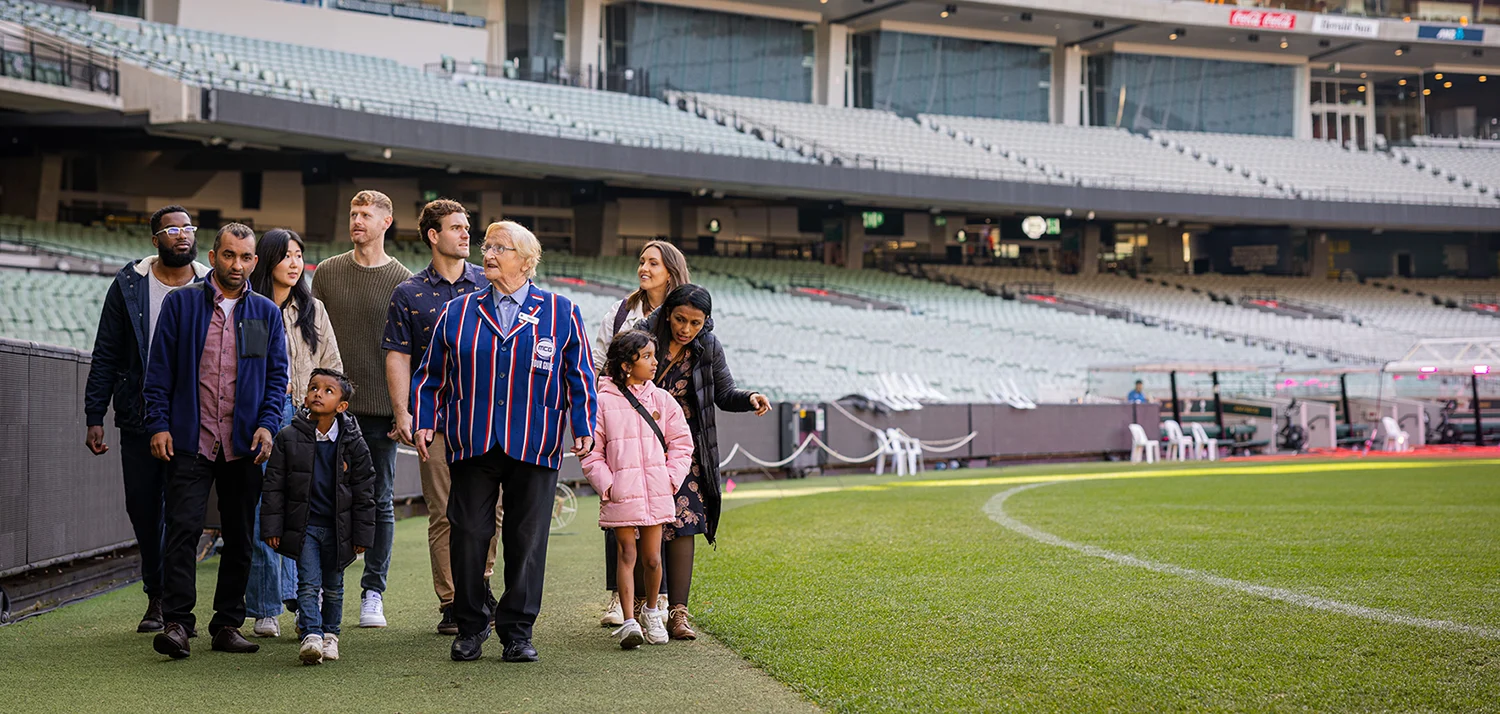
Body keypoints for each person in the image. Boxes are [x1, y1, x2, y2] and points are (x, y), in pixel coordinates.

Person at [411, 220, 598, 663]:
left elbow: (581, 378)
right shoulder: (457, 311)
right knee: (469, 535)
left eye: (500, 247)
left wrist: (585, 426)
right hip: (472, 439)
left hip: (535, 441)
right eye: (486, 245)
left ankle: (517, 631)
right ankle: (471, 626)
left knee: (526, 540)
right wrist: (423, 419)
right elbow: (431, 376)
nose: (488, 253)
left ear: (527, 260)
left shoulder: (561, 311)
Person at [142, 223, 289, 659]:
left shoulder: (265, 312)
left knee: (242, 536)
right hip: (190, 438)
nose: (237, 265)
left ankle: (227, 623)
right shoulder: (181, 304)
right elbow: (158, 373)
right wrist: (158, 424)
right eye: (229, 256)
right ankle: (177, 624)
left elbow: (275, 378)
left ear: (255, 262)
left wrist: (266, 425)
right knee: (182, 531)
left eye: (245, 258)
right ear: (213, 256)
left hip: (244, 443)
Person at [83, 205, 209, 633]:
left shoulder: (211, 284)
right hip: (137, 416)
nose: (181, 235)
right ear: (155, 239)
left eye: (187, 228)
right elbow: (106, 351)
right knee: (142, 508)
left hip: (192, 416)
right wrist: (94, 413)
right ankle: (156, 590)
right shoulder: (129, 284)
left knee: (182, 513)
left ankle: (170, 605)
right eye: (171, 229)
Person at [382, 198, 502, 635]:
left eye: (467, 227)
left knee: (492, 511)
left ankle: (481, 585)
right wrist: (403, 412)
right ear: (433, 236)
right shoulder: (408, 293)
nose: (467, 234)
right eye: (456, 228)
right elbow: (397, 356)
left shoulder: (488, 284)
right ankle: (452, 601)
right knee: (444, 513)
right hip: (434, 419)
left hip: (488, 418)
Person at [639, 284, 771, 640]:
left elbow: (724, 393)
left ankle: (678, 613)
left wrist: (751, 397)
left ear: (705, 322)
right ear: (668, 313)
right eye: (680, 319)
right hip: (638, 444)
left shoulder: (708, 346)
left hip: (685, 448)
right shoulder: (641, 338)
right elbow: (614, 382)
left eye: (695, 323)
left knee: (685, 522)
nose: (686, 329)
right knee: (642, 523)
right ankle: (645, 607)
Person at [312, 190, 413, 628]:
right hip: (327, 409)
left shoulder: (403, 280)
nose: (357, 221)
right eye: (353, 213)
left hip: (379, 411)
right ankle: (317, 584)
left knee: (378, 501)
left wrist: (402, 408)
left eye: (366, 215)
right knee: (320, 498)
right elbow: (311, 337)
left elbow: (412, 351)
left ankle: (373, 592)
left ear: (386, 222)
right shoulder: (328, 273)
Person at [244, 228, 344, 638]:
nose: (294, 262)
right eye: (286, 255)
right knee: (263, 510)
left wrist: (325, 413)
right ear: (268, 260)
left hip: (307, 418)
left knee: (302, 511)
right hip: (264, 415)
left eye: (299, 254)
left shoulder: (313, 309)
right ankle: (266, 605)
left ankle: (303, 602)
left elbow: (332, 365)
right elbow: (247, 364)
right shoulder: (249, 307)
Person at [591, 241, 691, 627]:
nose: (643, 268)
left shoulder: (683, 315)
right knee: (621, 526)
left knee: (662, 525)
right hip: (618, 420)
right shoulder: (619, 312)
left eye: (653, 262)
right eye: (641, 261)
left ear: (671, 270)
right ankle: (622, 599)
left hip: (662, 424)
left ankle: (660, 602)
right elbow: (597, 364)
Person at [581, 330, 693, 650]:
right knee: (627, 554)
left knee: (653, 559)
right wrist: (609, 485)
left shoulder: (661, 399)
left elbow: (682, 444)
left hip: (656, 493)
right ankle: (630, 622)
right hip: (622, 494)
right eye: (646, 357)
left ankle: (652, 613)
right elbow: (591, 451)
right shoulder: (601, 402)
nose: (655, 362)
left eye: (653, 356)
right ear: (627, 364)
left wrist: (670, 479)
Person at [261, 368, 376, 666]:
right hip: (306, 527)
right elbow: (273, 485)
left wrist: (363, 536)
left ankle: (330, 636)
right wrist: (273, 527)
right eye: (313, 387)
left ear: (341, 406)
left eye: (327, 390)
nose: (317, 394)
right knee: (308, 584)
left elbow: (365, 491)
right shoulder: (288, 437)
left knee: (334, 586)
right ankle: (310, 635)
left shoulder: (353, 442)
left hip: (340, 530)